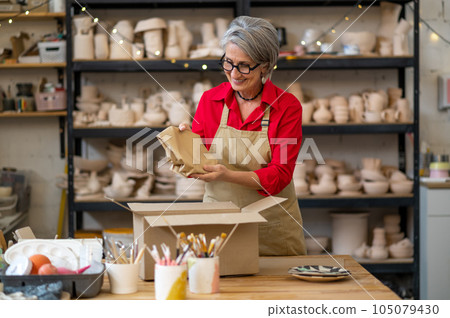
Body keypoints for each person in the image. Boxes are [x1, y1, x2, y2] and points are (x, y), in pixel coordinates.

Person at [180, 16, 306, 256]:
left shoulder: (287, 106)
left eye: (244, 65)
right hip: (220, 225)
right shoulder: (210, 100)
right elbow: (198, 160)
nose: (234, 73)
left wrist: (229, 175)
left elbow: (280, 175)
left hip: (272, 229)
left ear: (266, 66)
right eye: (228, 63)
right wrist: (183, 143)